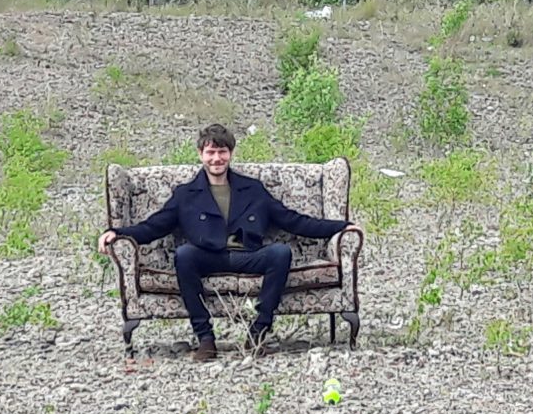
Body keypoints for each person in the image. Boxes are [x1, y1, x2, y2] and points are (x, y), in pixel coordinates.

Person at [98, 123, 361, 361]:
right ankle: (205, 338)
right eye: (210, 152)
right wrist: (118, 233)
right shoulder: (186, 194)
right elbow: (154, 226)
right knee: (184, 255)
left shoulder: (253, 189)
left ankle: (258, 332)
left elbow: (293, 220)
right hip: (208, 256)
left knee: (280, 253)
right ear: (201, 154)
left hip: (248, 254)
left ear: (230, 154)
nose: (216, 158)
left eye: (222, 152)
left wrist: (341, 227)